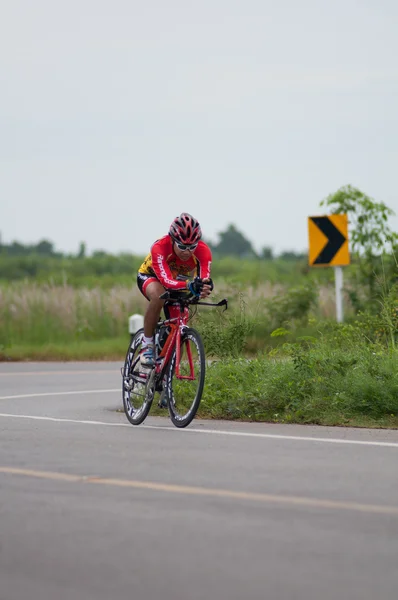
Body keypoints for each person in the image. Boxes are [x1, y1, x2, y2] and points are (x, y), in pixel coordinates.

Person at [137, 212, 213, 367]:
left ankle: (166, 375)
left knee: (181, 323)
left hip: (177, 282)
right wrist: (189, 285)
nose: (187, 251)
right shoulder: (160, 247)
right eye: (182, 247)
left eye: (192, 247)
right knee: (159, 296)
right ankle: (147, 345)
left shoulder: (204, 251)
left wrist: (204, 287)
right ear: (173, 240)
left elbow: (202, 278)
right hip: (151, 276)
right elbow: (166, 281)